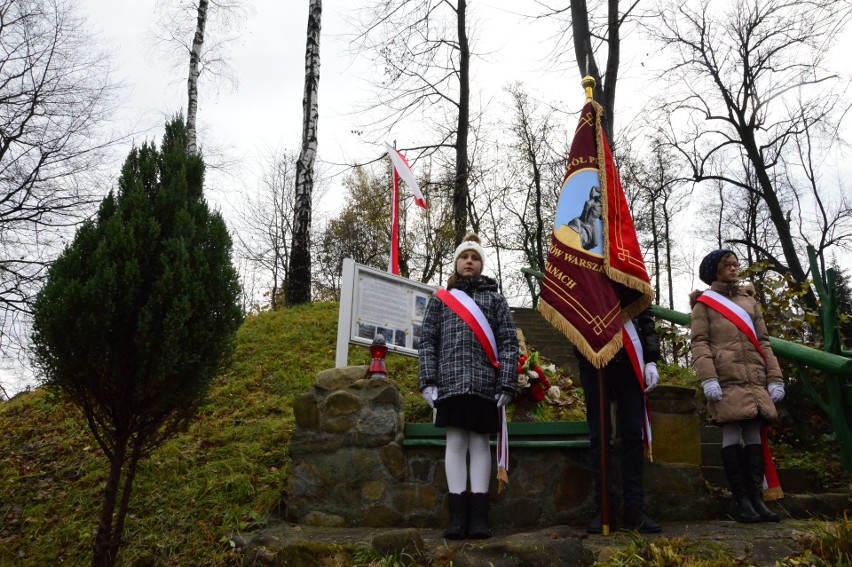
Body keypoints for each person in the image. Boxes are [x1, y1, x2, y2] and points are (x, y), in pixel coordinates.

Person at [418, 233, 519, 539]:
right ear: (456, 263)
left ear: (481, 264)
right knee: (456, 444)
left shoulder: (496, 299)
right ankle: (457, 517)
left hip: (484, 385)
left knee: (479, 445)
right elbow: (427, 343)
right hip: (450, 385)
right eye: (465, 257)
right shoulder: (440, 300)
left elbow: (508, 343)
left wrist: (507, 383)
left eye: (475, 258)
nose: (470, 262)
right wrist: (428, 382)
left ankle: (479, 518)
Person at [689, 249, 784, 523]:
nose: (734, 268)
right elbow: (700, 343)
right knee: (731, 431)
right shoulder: (704, 304)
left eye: (735, 264)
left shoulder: (749, 303)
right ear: (714, 271)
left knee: (754, 431)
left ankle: (756, 498)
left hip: (754, 377)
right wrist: (709, 378)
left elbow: (764, 342)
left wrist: (775, 378)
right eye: (727, 265)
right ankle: (741, 501)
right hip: (725, 377)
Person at [578, 307, 662, 534]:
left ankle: (634, 509)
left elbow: (645, 314)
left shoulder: (631, 271)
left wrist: (652, 358)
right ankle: (603, 507)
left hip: (629, 355)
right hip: (592, 354)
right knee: (599, 434)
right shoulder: (582, 270)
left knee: (633, 433)